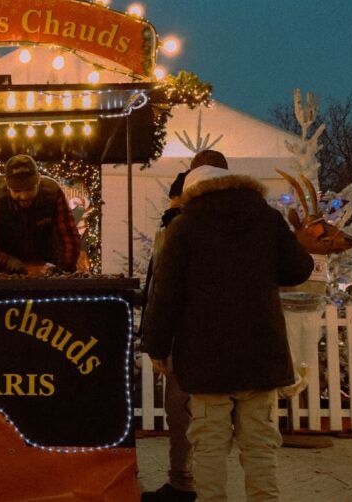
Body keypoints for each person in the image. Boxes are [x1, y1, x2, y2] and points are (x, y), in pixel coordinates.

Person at [142, 150, 314, 501]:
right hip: (261, 354)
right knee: (260, 444)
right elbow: (298, 269)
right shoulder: (267, 218)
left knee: (209, 444)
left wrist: (157, 347)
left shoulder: (185, 226)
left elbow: (167, 293)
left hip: (206, 358)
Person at [140, 170, 196, 502]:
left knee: (180, 408)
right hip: (196, 333)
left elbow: (163, 287)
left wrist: (155, 340)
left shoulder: (177, 227)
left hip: (182, 334)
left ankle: (184, 482)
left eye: (173, 197)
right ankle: (188, 479)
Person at [0, 154, 79, 274]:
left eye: (30, 189)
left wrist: (63, 270)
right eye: (17, 191)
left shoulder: (53, 194)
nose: (24, 196)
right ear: (7, 184)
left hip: (48, 265)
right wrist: (7, 262)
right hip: (6, 270)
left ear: (39, 179)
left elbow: (69, 237)